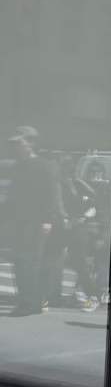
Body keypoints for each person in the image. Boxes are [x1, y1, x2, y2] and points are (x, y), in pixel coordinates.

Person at [5, 126, 54, 317]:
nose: (16, 146)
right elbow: (13, 196)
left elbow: (50, 195)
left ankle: (33, 302)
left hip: (35, 222)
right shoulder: (18, 166)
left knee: (29, 261)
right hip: (18, 220)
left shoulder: (43, 165)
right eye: (14, 143)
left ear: (31, 143)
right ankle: (26, 299)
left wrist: (47, 220)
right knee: (19, 260)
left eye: (20, 142)